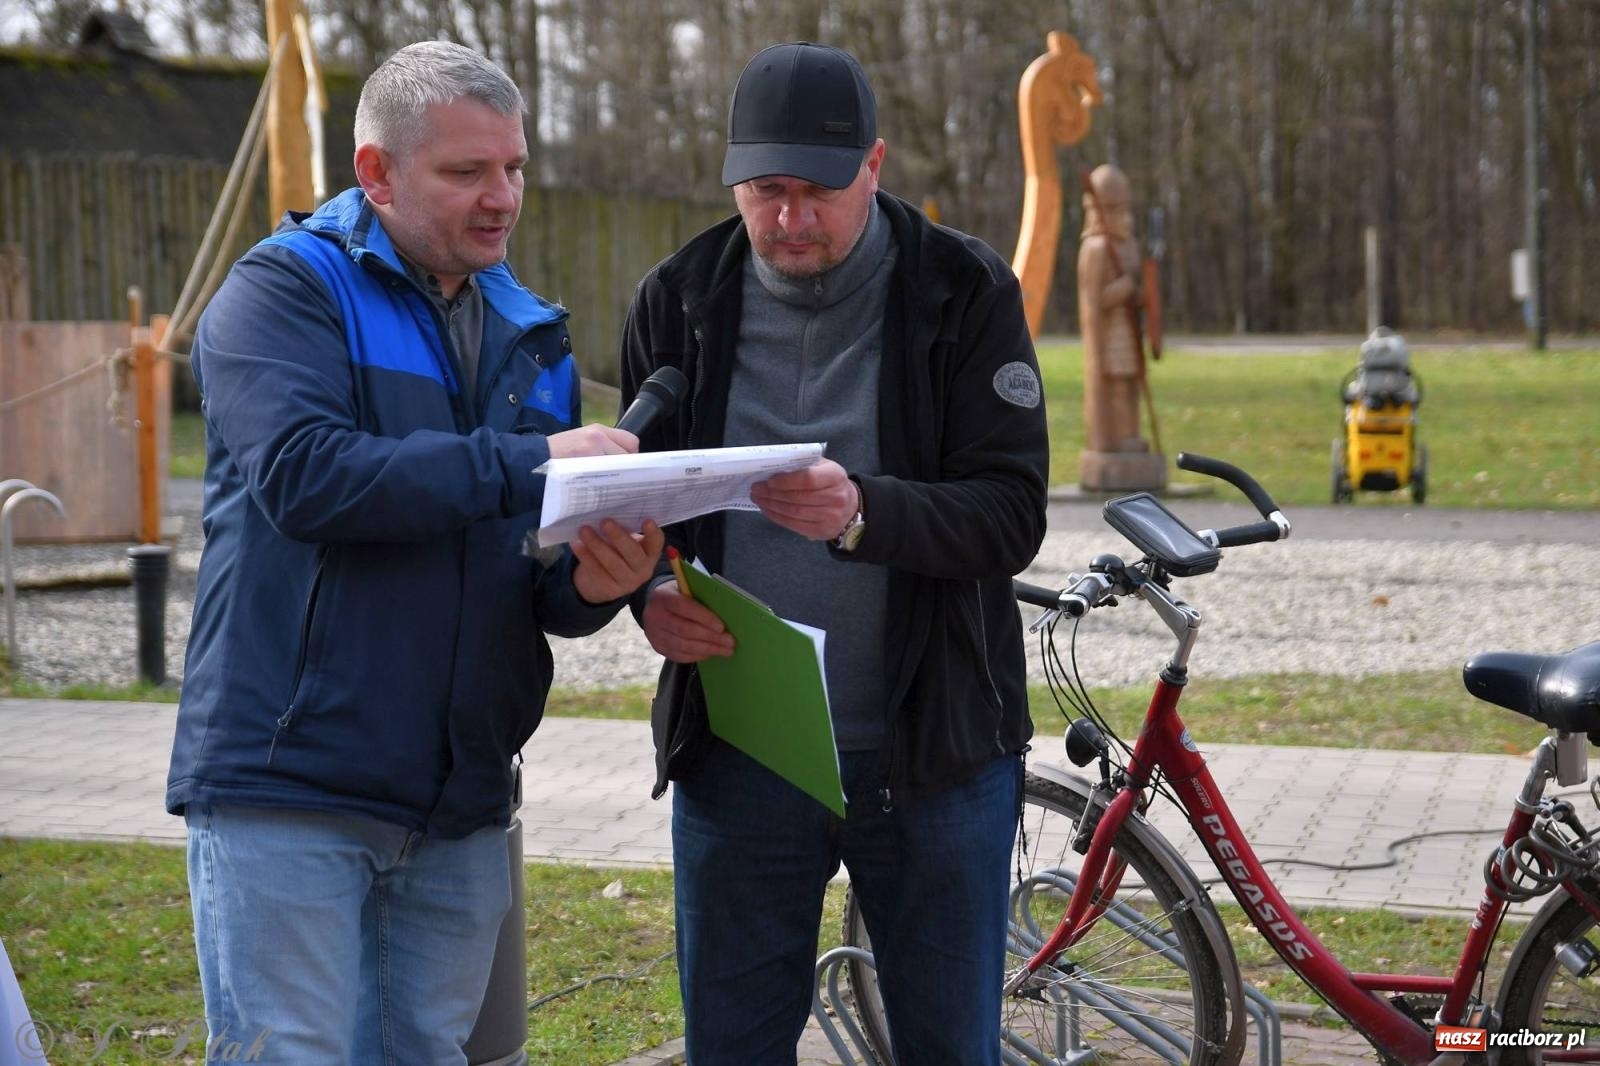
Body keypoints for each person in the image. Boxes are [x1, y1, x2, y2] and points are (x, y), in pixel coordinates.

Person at [165, 41, 662, 1063]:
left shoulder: (534, 339)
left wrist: (593, 584)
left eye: (514, 167)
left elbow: (529, 574)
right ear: (377, 173)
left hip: (460, 800)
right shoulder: (282, 294)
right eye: (466, 171)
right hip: (292, 782)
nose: (501, 197)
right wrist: (527, 460)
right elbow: (308, 477)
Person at [620, 41, 1049, 1066]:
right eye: (767, 191)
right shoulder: (678, 299)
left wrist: (863, 512)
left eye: (819, 190)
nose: (790, 219)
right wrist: (645, 593)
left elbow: (1010, 514)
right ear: (733, 178)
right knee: (729, 1046)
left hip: (935, 757)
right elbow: (636, 508)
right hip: (741, 753)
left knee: (948, 1049)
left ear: (876, 164)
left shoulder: (961, 291)